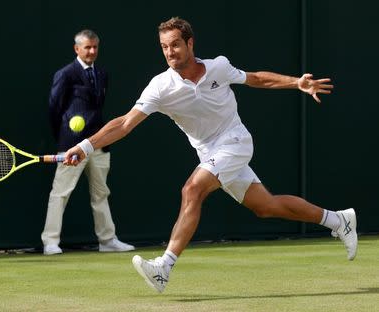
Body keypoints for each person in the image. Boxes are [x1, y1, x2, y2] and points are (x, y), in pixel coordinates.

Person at [62, 17, 357, 292]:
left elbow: (256, 79)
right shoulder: (161, 87)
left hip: (236, 142)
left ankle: (164, 267)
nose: (170, 52)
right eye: (164, 47)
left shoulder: (218, 67)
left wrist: (297, 82)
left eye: (175, 44)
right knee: (266, 206)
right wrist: (85, 146)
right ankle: (338, 220)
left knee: (192, 189)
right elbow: (124, 123)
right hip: (210, 154)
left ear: (190, 43)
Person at [41, 29, 135, 255]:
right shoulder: (65, 74)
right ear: (77, 49)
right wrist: (64, 139)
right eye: (87, 47)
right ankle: (50, 242)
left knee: (101, 194)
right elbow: (54, 108)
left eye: (95, 47)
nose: (92, 51)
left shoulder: (102, 73)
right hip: (72, 145)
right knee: (60, 193)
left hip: (100, 143)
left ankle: (107, 240)